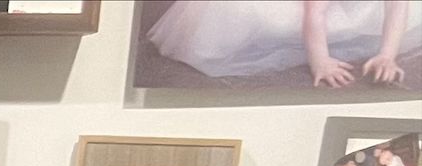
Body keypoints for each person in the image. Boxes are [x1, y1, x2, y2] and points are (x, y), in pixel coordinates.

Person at [145, 0, 422, 87]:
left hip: (354, 7)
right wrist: (320, 60)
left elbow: (398, 7)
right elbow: (315, 13)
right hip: (308, 7)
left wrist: (388, 54)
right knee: (246, 13)